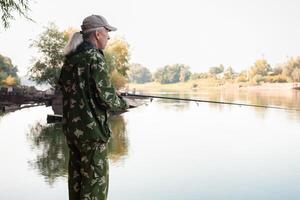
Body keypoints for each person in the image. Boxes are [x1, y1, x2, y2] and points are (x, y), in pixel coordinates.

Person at [58, 14, 129, 200]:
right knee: (94, 188)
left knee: (77, 183)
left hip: (73, 133)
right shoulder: (95, 58)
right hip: (92, 134)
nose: (108, 36)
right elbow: (106, 98)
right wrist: (122, 102)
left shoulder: (70, 60)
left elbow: (69, 91)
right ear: (97, 34)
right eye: (107, 32)